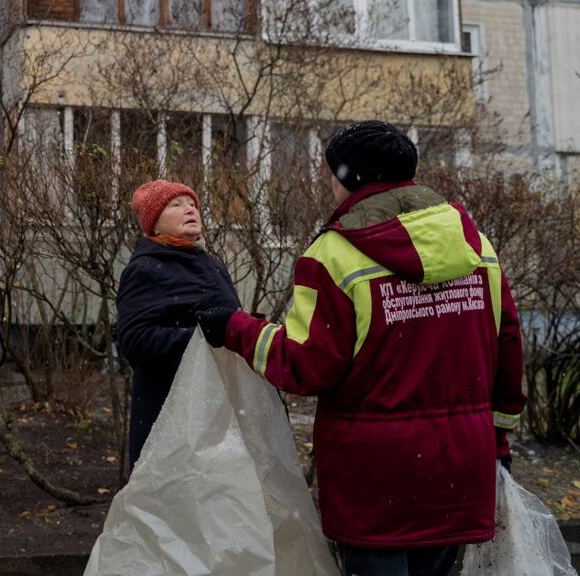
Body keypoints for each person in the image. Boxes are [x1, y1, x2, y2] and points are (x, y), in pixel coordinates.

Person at [196, 121, 526, 576]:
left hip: (374, 482)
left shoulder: (332, 255)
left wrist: (233, 327)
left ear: (348, 178)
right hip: (459, 471)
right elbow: (508, 347)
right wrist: (499, 437)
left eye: (330, 172)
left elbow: (307, 365)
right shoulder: (477, 247)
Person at [115, 179, 241, 472]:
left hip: (214, 402)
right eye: (176, 205)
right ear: (154, 224)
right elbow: (134, 339)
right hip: (171, 409)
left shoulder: (207, 261)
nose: (189, 210)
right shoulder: (145, 268)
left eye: (192, 204)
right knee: (175, 504)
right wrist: (203, 337)